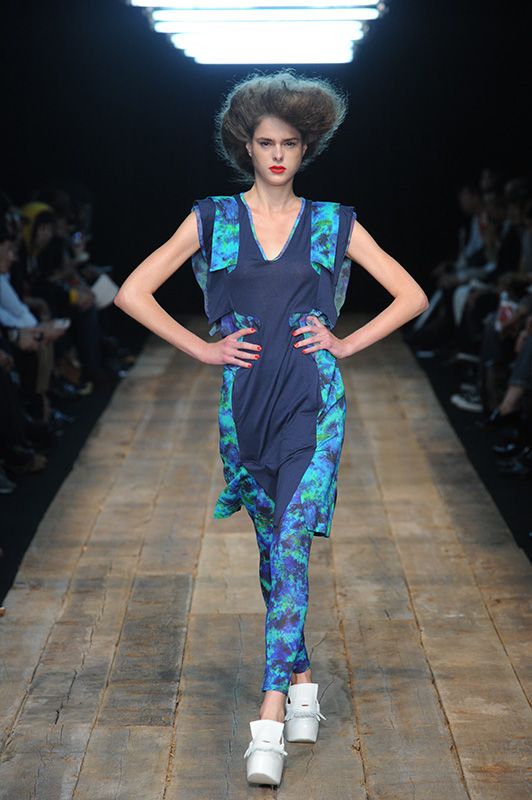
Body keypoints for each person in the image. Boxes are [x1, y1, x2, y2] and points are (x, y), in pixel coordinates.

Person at [114, 70, 428, 787]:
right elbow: (133, 291)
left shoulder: (333, 223)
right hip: (244, 410)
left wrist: (345, 343)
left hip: (313, 405)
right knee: (271, 553)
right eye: (266, 143)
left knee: (290, 544)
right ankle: (306, 680)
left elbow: (411, 293)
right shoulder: (213, 219)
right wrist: (203, 349)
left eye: (290, 143)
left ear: (306, 147)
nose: (278, 155)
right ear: (246, 146)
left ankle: (270, 718)